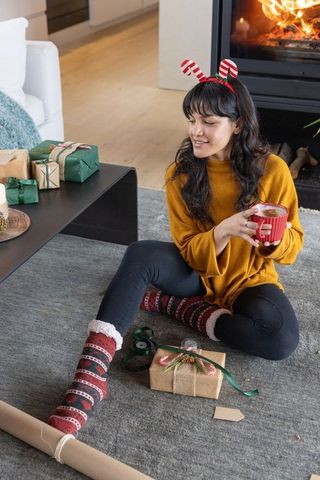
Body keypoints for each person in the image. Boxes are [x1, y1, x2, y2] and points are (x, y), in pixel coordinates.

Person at [48, 59, 304, 435]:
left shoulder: (274, 171)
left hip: (248, 279)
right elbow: (186, 247)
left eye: (209, 123)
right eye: (192, 120)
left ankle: (176, 308)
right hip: (196, 273)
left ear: (237, 125)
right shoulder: (180, 174)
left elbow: (294, 247)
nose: (195, 131)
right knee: (141, 254)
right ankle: (89, 378)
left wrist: (275, 239)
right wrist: (223, 231)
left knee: (281, 340)